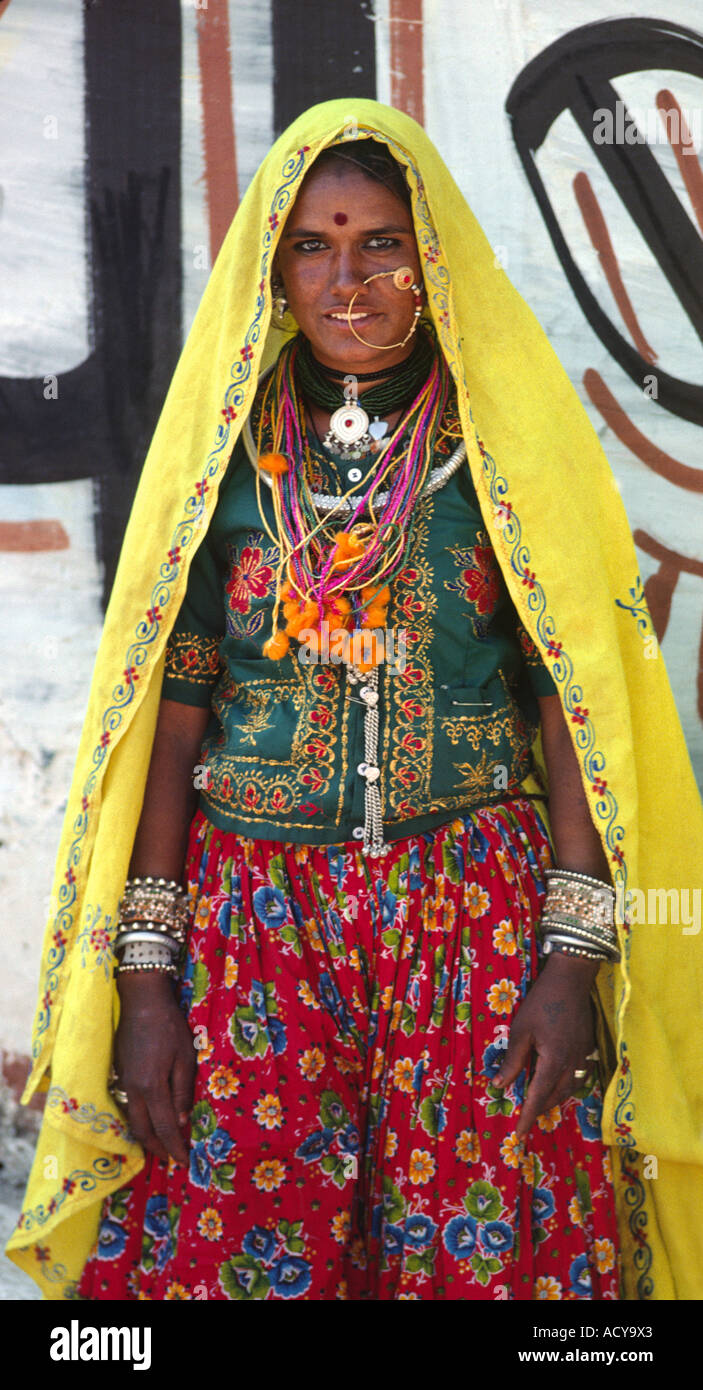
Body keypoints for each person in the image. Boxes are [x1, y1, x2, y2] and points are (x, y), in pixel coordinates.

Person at [6, 100, 703, 1303]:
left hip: (473, 921)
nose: (348, 278)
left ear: (428, 256)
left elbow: (569, 706)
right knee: (236, 1251)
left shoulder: (503, 449)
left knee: (489, 1251)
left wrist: (572, 960)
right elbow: (170, 726)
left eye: (380, 241)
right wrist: (148, 983)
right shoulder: (224, 463)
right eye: (315, 244)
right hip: (253, 929)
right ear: (274, 265)